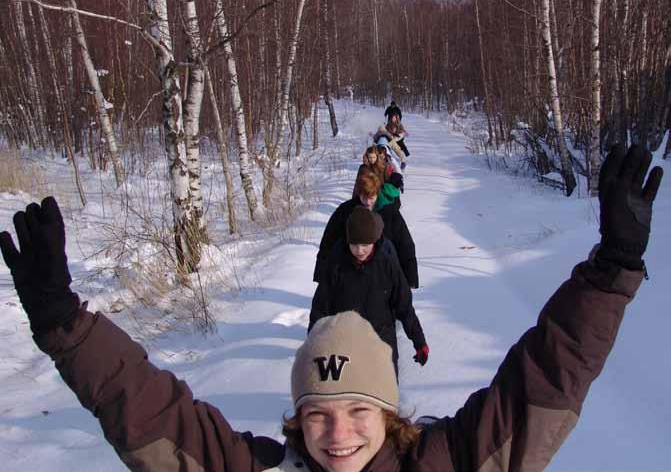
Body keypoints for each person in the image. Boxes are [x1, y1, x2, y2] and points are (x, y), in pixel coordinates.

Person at [0, 144, 663, 472]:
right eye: (317, 414)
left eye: (355, 411)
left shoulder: (447, 464)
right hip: (336, 327)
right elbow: (146, 406)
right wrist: (67, 325)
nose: (337, 433)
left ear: (386, 411)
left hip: (376, 340)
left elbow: (543, 380)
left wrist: (610, 274)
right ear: (295, 419)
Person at [308, 206, 428, 376]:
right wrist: (314, 346)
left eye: (365, 244)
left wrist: (419, 340)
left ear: (374, 240)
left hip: (381, 342)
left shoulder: (387, 265)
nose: (359, 250)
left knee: (383, 395)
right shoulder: (336, 266)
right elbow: (320, 310)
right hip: (344, 344)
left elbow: (404, 306)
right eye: (354, 244)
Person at [315, 169, 417, 289]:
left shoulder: (390, 213)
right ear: (359, 193)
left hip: (383, 272)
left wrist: (410, 279)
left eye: (372, 197)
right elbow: (329, 240)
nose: (368, 202)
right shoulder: (346, 211)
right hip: (351, 271)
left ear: (377, 193)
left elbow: (405, 245)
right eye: (364, 197)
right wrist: (321, 273)